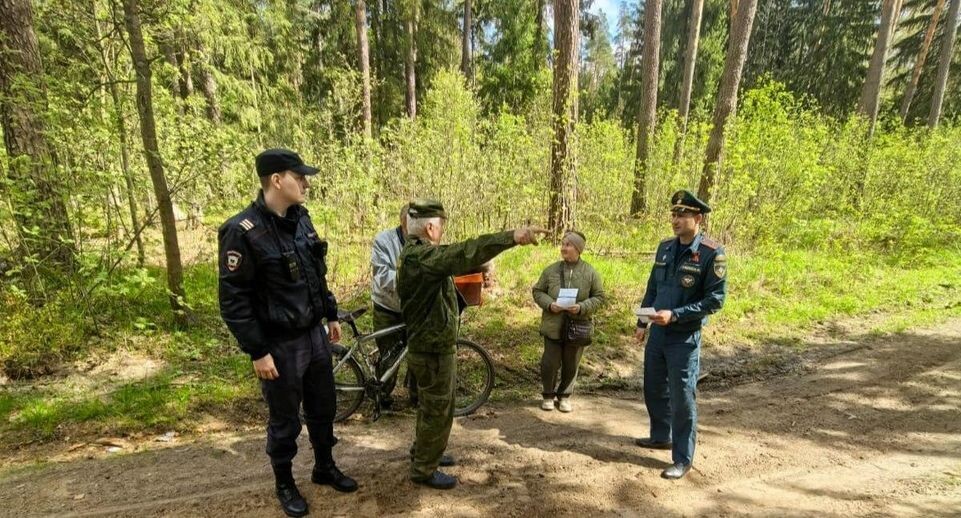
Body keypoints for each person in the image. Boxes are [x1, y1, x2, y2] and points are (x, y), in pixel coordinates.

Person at [218, 148, 357, 518]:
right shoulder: (241, 232)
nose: (306, 183)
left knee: (323, 408)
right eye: (300, 177)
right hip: (278, 345)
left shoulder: (301, 219)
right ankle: (285, 483)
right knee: (285, 421)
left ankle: (324, 467)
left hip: (313, 336)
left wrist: (330, 314)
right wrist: (257, 351)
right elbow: (234, 302)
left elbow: (317, 273)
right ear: (277, 180)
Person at [397, 199, 546, 490]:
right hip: (432, 351)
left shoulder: (416, 255)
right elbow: (464, 251)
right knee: (439, 408)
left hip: (429, 347)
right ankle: (424, 470)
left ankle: (424, 453)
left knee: (431, 407)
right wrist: (512, 237)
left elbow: (460, 259)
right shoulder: (422, 258)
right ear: (430, 227)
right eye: (441, 226)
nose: (442, 232)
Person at [633, 190, 727, 480]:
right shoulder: (665, 248)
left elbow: (715, 301)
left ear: (697, 218)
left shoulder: (712, 253)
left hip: (683, 338)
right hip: (658, 333)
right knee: (653, 387)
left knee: (683, 396)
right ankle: (661, 435)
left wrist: (675, 315)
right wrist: (642, 321)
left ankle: (683, 458)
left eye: (682, 215)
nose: (675, 220)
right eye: (674, 215)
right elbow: (653, 286)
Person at [531, 230, 607, 413]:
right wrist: (550, 305)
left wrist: (582, 307)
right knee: (549, 363)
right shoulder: (551, 270)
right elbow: (538, 291)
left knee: (571, 363)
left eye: (568, 245)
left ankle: (564, 396)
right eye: (563, 244)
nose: (563, 248)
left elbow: (600, 297)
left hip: (578, 326)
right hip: (553, 325)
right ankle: (548, 395)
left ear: (578, 249)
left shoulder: (590, 273)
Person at [370, 204, 411, 408]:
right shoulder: (384, 241)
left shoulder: (425, 240)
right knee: (389, 357)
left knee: (419, 355)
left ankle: (418, 397)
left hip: (414, 309)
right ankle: (381, 396)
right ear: (404, 223)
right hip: (387, 308)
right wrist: (415, 278)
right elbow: (383, 276)